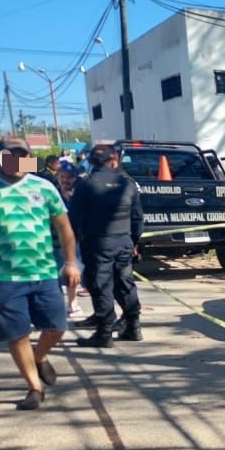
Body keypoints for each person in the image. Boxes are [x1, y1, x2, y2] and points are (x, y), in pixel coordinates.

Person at [0, 135, 81, 410]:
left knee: (57, 327)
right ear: (0, 158)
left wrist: (70, 262)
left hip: (44, 273)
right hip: (4, 277)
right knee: (16, 334)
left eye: (23, 155)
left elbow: (64, 228)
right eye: (11, 155)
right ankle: (34, 387)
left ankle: (38, 356)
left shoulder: (44, 188)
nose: (18, 161)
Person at [69, 144, 143, 347]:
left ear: (91, 162)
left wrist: (73, 244)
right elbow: (138, 218)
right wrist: (134, 242)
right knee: (125, 283)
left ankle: (104, 333)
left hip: (97, 243)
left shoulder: (85, 184)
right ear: (114, 160)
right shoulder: (128, 184)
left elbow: (74, 219)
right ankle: (133, 327)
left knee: (101, 285)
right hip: (124, 242)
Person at [54, 160, 84, 318]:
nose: (66, 180)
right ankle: (56, 305)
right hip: (53, 242)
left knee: (73, 273)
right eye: (62, 176)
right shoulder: (52, 194)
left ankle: (73, 304)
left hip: (74, 242)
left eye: (70, 177)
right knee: (53, 275)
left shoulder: (80, 195)